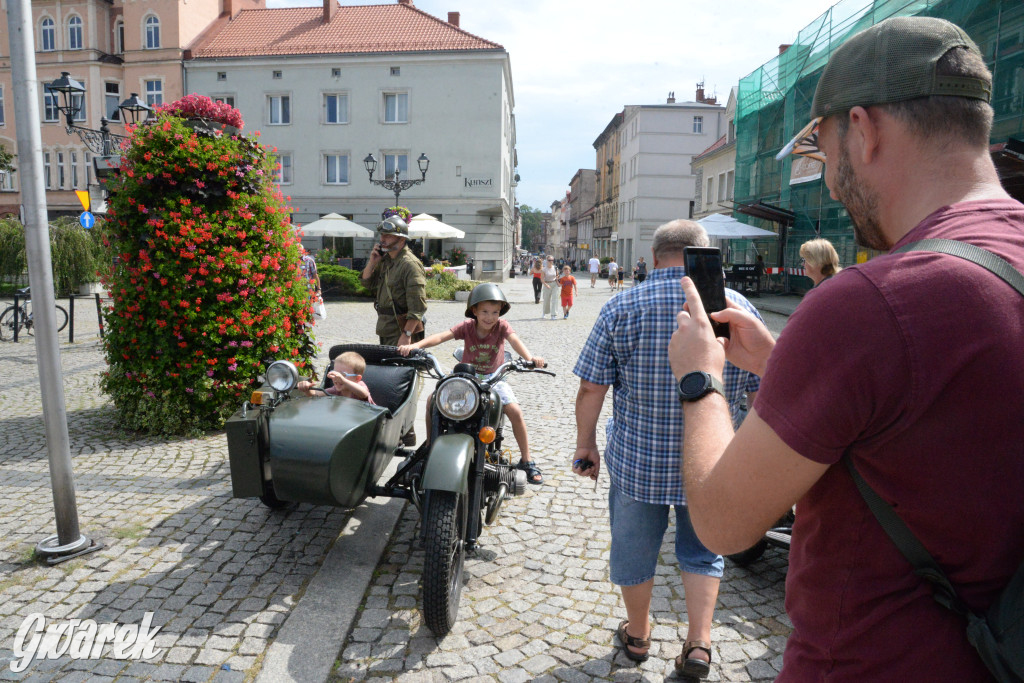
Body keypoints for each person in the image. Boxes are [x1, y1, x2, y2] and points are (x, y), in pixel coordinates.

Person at [666, 17, 1024, 682]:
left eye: (826, 154)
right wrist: (786, 365)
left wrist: (701, 378)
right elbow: (937, 417)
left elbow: (722, 521)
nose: (830, 183)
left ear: (865, 129)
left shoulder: (874, 303)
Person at [573, 220, 763, 678]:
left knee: (633, 549)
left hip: (639, 464)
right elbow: (761, 394)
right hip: (713, 465)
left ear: (655, 256)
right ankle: (699, 643)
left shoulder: (622, 305)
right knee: (702, 552)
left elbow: (591, 389)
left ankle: (637, 636)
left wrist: (586, 446)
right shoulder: (736, 308)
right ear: (706, 254)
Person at [398, 283, 547, 484]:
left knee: (515, 411)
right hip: (467, 377)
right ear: (474, 310)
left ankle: (527, 460)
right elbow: (442, 336)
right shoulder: (467, 327)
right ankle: (430, 448)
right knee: (433, 400)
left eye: (495, 312)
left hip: (495, 377)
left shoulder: (502, 327)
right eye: (484, 311)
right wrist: (415, 345)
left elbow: (514, 340)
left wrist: (530, 358)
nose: (490, 317)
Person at [360, 216, 427, 346]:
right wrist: (372, 262)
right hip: (386, 328)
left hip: (402, 329)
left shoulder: (410, 264)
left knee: (403, 366)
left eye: (388, 236)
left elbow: (418, 306)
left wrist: (407, 334)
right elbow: (367, 283)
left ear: (401, 239)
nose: (382, 239)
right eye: (382, 235)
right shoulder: (386, 261)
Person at [296, 351, 376, 404]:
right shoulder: (336, 390)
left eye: (343, 375)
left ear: (357, 379)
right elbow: (315, 395)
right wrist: (307, 389)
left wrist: (344, 381)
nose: (337, 378)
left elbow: (364, 394)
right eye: (335, 373)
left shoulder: (360, 386)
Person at [540, 256, 559, 320]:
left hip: (554, 284)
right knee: (546, 299)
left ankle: (553, 314)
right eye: (549, 260)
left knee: (555, 299)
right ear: (547, 260)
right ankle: (544, 312)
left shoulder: (555, 268)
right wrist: (546, 285)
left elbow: (557, 276)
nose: (551, 261)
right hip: (547, 284)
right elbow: (542, 279)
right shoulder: (544, 269)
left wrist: (557, 278)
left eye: (552, 260)